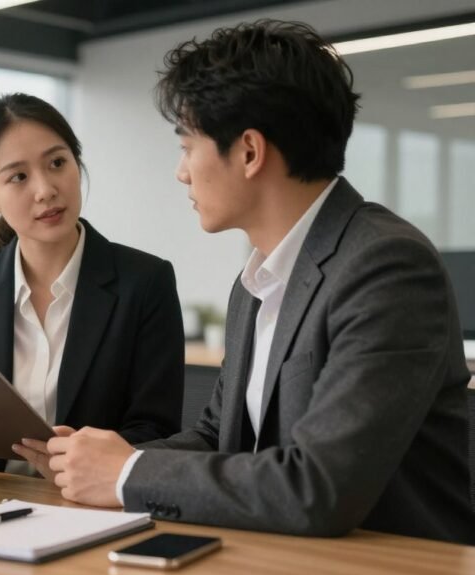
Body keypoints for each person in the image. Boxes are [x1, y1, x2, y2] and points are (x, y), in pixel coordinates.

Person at [45, 20, 475, 544]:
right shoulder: (256, 280)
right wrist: (98, 460)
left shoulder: (388, 267)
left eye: (187, 146)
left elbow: (320, 487)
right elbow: (219, 437)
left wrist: (127, 474)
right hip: (276, 556)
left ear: (249, 151)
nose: (182, 172)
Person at [0, 93, 184, 477]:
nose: (46, 189)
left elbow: (158, 430)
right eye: (18, 176)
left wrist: (83, 464)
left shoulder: (146, 281)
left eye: (57, 163)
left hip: (93, 507)